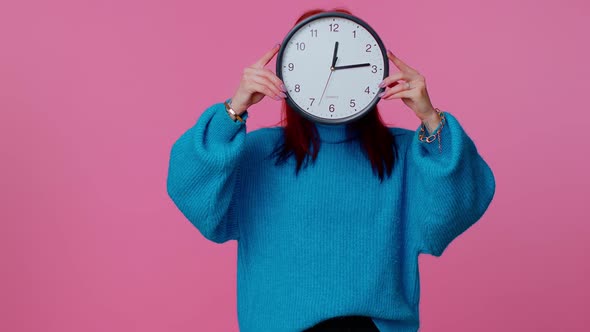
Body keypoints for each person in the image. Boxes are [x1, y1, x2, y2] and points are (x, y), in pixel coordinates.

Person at [166, 7, 496, 332]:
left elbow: (460, 205)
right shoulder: (257, 152)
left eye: (341, 63)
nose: (333, 69)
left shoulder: (407, 154)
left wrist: (431, 118)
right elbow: (189, 188)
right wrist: (233, 108)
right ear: (287, 75)